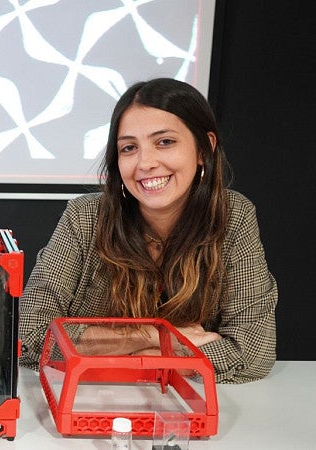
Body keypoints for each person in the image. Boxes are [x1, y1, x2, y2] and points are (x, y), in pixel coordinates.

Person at [19, 78, 277, 384]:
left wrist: (141, 358)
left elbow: (253, 353)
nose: (145, 163)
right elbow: (30, 334)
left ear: (204, 149)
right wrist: (159, 335)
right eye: (129, 148)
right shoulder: (84, 217)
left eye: (165, 142)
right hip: (91, 400)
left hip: (186, 412)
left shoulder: (233, 216)